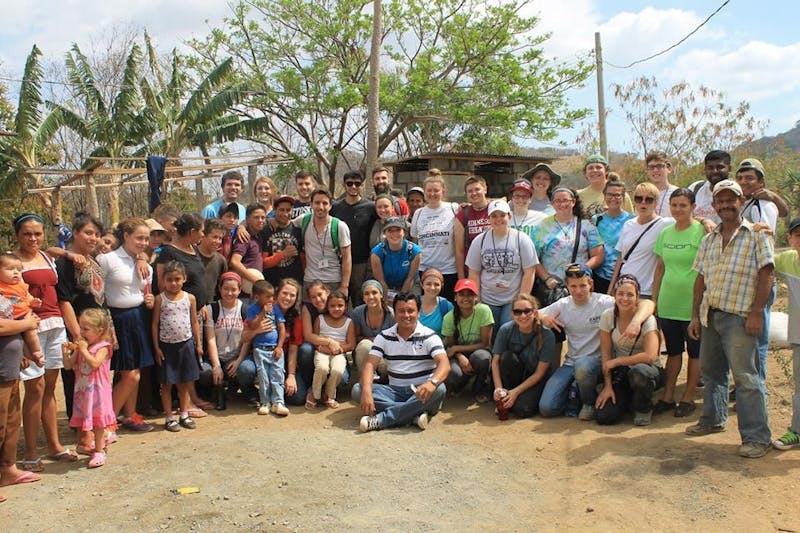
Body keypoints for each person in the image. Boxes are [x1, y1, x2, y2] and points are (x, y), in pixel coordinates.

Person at [685, 179, 774, 459]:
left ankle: (757, 438)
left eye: (730, 200)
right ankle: (712, 419)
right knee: (712, 373)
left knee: (747, 378)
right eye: (720, 201)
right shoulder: (709, 239)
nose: (725, 205)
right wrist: (695, 316)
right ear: (714, 205)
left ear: (740, 202)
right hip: (711, 315)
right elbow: (700, 279)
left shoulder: (757, 235)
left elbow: (766, 274)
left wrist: (757, 312)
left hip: (740, 316)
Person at [538, 263, 654, 420]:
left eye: (582, 285)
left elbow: (647, 303)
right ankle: (576, 392)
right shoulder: (563, 305)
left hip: (598, 362)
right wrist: (543, 317)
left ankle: (588, 402)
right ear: (567, 286)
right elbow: (531, 313)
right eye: (573, 286)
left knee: (583, 367)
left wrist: (637, 321)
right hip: (571, 362)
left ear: (591, 284)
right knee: (547, 407)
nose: (578, 291)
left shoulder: (604, 303)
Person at [13, 214, 77, 471]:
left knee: (51, 387)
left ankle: (53, 444)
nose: (33, 238)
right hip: (31, 330)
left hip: (55, 326)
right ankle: (30, 450)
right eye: (27, 234)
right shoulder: (12, 262)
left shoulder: (48, 258)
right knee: (34, 389)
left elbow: (61, 297)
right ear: (17, 235)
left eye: (37, 233)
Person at [353, 292, 450, 432]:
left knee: (439, 389)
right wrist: (367, 390)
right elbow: (370, 365)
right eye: (401, 311)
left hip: (422, 391)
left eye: (410, 311)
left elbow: (444, 365)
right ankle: (413, 415)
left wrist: (431, 383)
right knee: (358, 390)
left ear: (418, 312)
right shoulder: (384, 336)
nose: (406, 315)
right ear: (395, 313)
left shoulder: (429, 336)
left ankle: (381, 420)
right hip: (393, 391)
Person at [97, 217, 156, 432]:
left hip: (139, 317)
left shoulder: (143, 261)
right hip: (117, 320)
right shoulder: (108, 260)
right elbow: (95, 292)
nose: (143, 242)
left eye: (146, 239)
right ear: (126, 236)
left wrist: (149, 299)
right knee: (130, 374)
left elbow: (143, 289)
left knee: (135, 371)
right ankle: (106, 421)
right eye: (139, 238)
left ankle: (129, 415)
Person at [651, 188, 704, 417]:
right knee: (673, 351)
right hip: (668, 302)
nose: (678, 209)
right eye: (674, 205)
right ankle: (668, 396)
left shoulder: (702, 231)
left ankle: (688, 397)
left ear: (693, 207)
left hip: (693, 304)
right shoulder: (666, 232)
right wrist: (654, 300)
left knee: (695, 352)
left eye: (683, 205)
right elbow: (660, 267)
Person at [736, 157, 786, 381]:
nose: (744, 182)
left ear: (760, 181)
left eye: (749, 178)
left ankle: (757, 385)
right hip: (747, 279)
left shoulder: (762, 205)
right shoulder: (748, 203)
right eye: (740, 178)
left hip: (759, 280)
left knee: (758, 338)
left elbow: (764, 236)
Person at [595, 275, 663, 426]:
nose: (624, 298)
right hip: (620, 372)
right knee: (604, 417)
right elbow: (605, 355)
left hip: (646, 370)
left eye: (630, 294)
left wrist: (618, 360)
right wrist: (607, 386)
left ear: (638, 297)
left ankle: (643, 408)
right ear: (614, 295)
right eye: (620, 294)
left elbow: (650, 356)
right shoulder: (608, 316)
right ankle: (627, 400)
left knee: (639, 373)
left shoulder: (647, 319)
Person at [467, 200, 537, 330]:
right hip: (488, 298)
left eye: (502, 215)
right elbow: (474, 272)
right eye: (494, 216)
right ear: (488, 219)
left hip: (512, 299)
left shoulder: (521, 239)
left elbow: (529, 271)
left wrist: (521, 300)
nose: (498, 219)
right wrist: (478, 299)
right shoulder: (479, 241)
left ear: (509, 216)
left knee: (508, 330)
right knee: (490, 335)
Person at [152, 261, 202, 432]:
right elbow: (155, 324)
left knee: (184, 382)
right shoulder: (160, 299)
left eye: (177, 279)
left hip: (186, 345)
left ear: (184, 279)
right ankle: (168, 417)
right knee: (166, 384)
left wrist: (198, 344)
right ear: (164, 280)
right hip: (167, 347)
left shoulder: (190, 298)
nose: (173, 283)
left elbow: (194, 321)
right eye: (169, 279)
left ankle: (184, 414)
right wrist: (157, 347)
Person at [63, 309, 116, 468]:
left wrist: (84, 350)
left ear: (99, 331)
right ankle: (93, 443)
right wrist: (66, 353)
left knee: (98, 423)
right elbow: (68, 366)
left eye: (86, 329)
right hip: (84, 392)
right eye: (81, 328)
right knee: (88, 420)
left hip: (98, 392)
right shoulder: (81, 348)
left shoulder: (103, 347)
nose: (82, 332)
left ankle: (99, 450)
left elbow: (94, 364)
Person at [0, 297, 42, 497]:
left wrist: (22, 353)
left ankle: (9, 470)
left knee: (11, 423)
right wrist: (28, 323)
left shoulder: (7, 292)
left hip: (10, 370)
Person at [491, 293, 555, 418]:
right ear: (512, 314)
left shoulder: (547, 335)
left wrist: (515, 392)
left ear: (535, 313)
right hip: (516, 375)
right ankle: (506, 397)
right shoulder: (505, 329)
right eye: (517, 312)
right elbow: (495, 361)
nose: (523, 316)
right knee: (507, 357)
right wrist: (498, 389)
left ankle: (514, 398)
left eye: (527, 311)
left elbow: (539, 373)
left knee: (522, 410)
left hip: (536, 379)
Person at [608, 182, 672, 298]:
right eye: (639, 199)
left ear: (656, 202)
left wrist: (705, 221)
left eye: (648, 200)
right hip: (623, 288)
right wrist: (611, 287)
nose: (643, 203)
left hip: (645, 291)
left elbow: (687, 219)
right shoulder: (628, 224)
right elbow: (621, 258)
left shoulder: (664, 224)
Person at [771, 217, 800, 450]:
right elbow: (762, 259)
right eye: (798, 235)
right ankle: (797, 431)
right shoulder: (787, 260)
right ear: (789, 238)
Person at [441, 278, 494, 402]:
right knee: (454, 375)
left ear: (476, 297)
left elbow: (485, 344)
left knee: (482, 358)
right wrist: (460, 356)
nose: (466, 298)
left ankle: (481, 388)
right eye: (461, 294)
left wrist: (456, 348)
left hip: (480, 351)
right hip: (460, 355)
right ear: (455, 297)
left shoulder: (484, 310)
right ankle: (462, 384)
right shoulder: (449, 317)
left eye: (470, 294)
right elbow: (450, 346)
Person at [201, 272, 248, 410]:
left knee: (245, 370)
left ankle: (235, 389)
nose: (229, 293)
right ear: (219, 289)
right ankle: (211, 391)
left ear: (239, 290)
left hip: (234, 357)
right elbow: (210, 339)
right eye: (226, 288)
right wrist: (216, 366)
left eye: (234, 289)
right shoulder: (212, 309)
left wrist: (239, 360)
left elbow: (247, 340)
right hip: (216, 356)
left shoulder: (244, 309)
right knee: (206, 372)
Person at [330, 170, 378, 305]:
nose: (353, 187)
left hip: (361, 264)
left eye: (357, 184)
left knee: (360, 301)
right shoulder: (335, 207)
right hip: (338, 262)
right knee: (338, 302)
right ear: (344, 185)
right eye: (349, 184)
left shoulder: (370, 207)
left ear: (362, 185)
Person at [295, 189, 352, 298]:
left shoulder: (339, 226)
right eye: (317, 203)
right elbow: (285, 224)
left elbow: (347, 257)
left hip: (333, 280)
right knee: (308, 312)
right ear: (311, 204)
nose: (320, 207)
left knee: (333, 314)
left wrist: (344, 286)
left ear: (330, 206)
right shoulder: (304, 221)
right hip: (310, 279)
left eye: (325, 203)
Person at [409, 174, 458, 301]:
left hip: (448, 270)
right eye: (429, 191)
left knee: (448, 309)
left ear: (443, 191)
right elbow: (415, 241)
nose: (432, 194)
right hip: (425, 270)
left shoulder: (453, 208)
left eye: (436, 190)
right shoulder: (418, 213)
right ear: (424, 192)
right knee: (428, 308)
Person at [247, 280, 288, 416]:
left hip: (275, 348)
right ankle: (265, 402)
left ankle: (278, 402)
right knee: (263, 377)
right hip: (260, 349)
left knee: (277, 375)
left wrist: (280, 346)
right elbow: (252, 326)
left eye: (272, 296)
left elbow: (281, 328)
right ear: (257, 297)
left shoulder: (275, 308)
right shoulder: (252, 309)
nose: (271, 299)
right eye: (268, 297)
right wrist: (262, 314)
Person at [310, 290, 355, 409]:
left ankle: (329, 395)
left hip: (338, 353)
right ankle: (315, 395)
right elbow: (315, 339)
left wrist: (337, 349)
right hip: (322, 351)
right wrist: (324, 348)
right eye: (332, 306)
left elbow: (351, 344)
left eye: (340, 306)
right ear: (327, 307)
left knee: (338, 370)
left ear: (345, 307)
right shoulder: (320, 319)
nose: (336, 309)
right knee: (322, 368)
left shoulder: (349, 322)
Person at [591, 180, 635, 295]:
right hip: (598, 275)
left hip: (623, 276)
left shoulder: (631, 221)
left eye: (617, 195)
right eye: (610, 194)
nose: (613, 198)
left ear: (623, 197)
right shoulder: (596, 220)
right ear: (604, 195)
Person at [370, 217, 422, 301]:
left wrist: (400, 299)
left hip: (409, 284)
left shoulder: (414, 251)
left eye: (398, 230)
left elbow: (410, 278)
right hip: (386, 285)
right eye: (390, 230)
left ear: (404, 232)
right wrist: (387, 300)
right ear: (384, 233)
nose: (394, 234)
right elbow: (380, 280)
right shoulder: (377, 253)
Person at [352, 280, 395, 378]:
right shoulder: (357, 313)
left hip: (386, 355)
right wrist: (372, 340)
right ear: (363, 298)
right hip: (365, 354)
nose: (371, 297)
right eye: (366, 294)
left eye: (374, 293)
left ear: (381, 294)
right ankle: (364, 382)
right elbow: (355, 338)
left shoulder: (391, 314)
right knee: (365, 345)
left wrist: (378, 341)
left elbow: (396, 340)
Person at [260, 195, 303, 287]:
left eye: (288, 210)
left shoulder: (298, 230)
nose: (285, 214)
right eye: (281, 210)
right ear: (275, 210)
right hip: (271, 284)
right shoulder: (266, 230)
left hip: (294, 284)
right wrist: (283, 254)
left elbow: (303, 259)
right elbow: (263, 263)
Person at [454, 175, 491, 279]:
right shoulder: (463, 215)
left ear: (485, 189)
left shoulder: (495, 209)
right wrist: (461, 277)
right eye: (470, 191)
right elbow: (459, 250)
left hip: (494, 269)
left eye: (477, 189)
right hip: (471, 271)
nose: (474, 193)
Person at [229, 204, 267, 295]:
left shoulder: (258, 236)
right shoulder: (244, 237)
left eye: (263, 217)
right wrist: (255, 280)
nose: (260, 220)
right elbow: (234, 262)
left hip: (253, 291)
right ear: (248, 219)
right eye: (256, 217)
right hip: (244, 292)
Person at [417, 269, 453, 336]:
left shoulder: (447, 306)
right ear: (422, 285)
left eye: (436, 284)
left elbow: (449, 336)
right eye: (428, 284)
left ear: (442, 286)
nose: (432, 288)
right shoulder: (413, 303)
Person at [645, 151, 678, 217]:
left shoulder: (677, 193)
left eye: (659, 166)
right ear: (647, 170)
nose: (655, 170)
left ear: (669, 169)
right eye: (651, 167)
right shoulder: (643, 194)